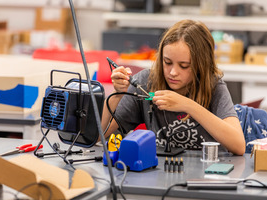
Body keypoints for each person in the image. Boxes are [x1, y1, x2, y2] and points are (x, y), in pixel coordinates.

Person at [101, 19, 245, 155]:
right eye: (167, 62)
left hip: (204, 174)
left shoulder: (213, 86)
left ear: (201, 66)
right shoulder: (145, 82)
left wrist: (188, 105)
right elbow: (101, 136)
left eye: (184, 66)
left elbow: (239, 146)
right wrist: (118, 94)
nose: (173, 72)